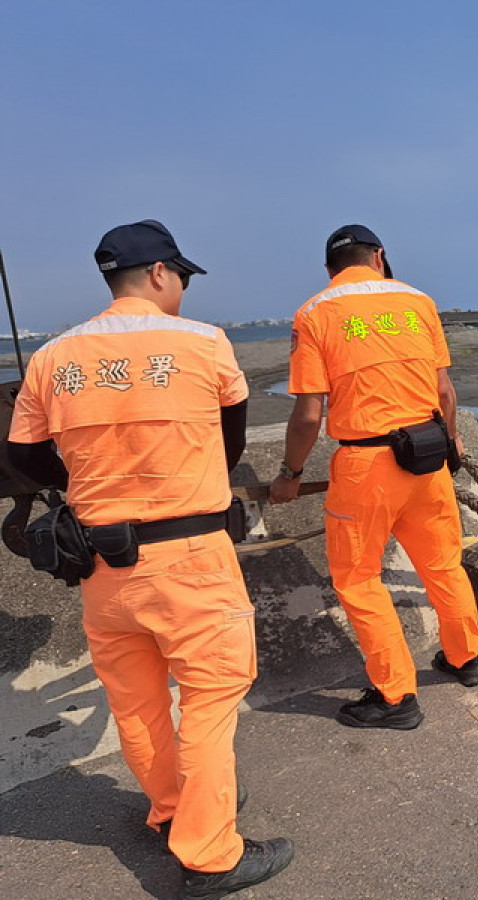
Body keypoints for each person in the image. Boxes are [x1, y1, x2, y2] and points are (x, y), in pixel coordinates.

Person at [6, 220, 293, 899]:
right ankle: (210, 854)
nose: (185, 288)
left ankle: (170, 811)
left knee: (136, 702)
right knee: (209, 701)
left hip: (104, 568)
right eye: (183, 276)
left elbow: (19, 457)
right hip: (190, 555)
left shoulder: (56, 356)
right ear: (161, 273)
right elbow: (229, 437)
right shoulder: (202, 343)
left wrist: (80, 477)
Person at [269, 224, 478, 730]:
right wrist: (450, 442)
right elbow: (445, 394)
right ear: (380, 257)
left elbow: (307, 416)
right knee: (443, 564)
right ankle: (465, 659)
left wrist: (289, 474)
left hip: (367, 465)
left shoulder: (316, 312)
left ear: (329, 269)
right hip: (428, 458)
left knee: (359, 579)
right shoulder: (418, 301)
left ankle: (395, 697)